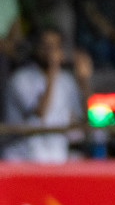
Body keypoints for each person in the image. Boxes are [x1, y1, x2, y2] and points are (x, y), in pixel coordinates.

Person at [3, 27, 90, 163]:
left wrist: (83, 82)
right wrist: (53, 69)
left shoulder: (67, 81)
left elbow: (84, 118)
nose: (50, 52)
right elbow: (40, 113)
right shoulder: (20, 79)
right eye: (46, 46)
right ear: (36, 48)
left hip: (56, 158)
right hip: (22, 159)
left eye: (55, 47)